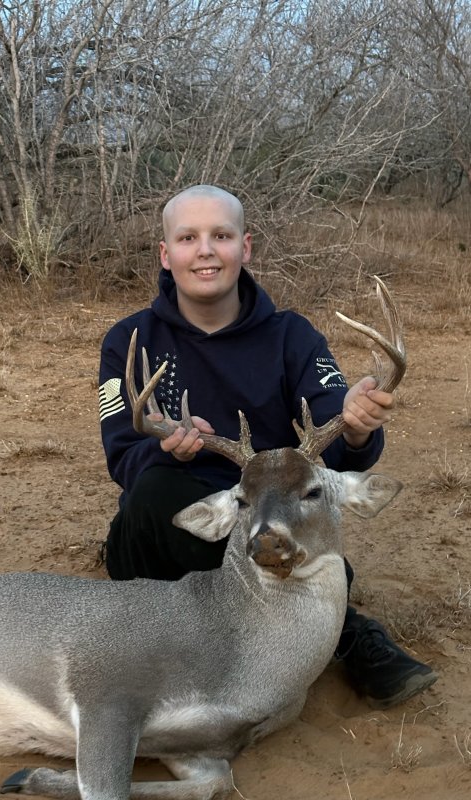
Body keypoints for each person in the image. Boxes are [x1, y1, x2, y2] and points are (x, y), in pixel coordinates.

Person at [98, 184, 437, 709]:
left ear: (246, 247)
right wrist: (168, 449)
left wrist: (356, 425)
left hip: (270, 521)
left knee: (310, 526)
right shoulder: (130, 342)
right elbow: (122, 452)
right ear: (166, 254)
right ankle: (315, 629)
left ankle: (343, 636)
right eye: (188, 238)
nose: (205, 250)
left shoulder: (292, 337)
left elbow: (337, 430)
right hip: (179, 526)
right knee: (153, 496)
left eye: (221, 236)